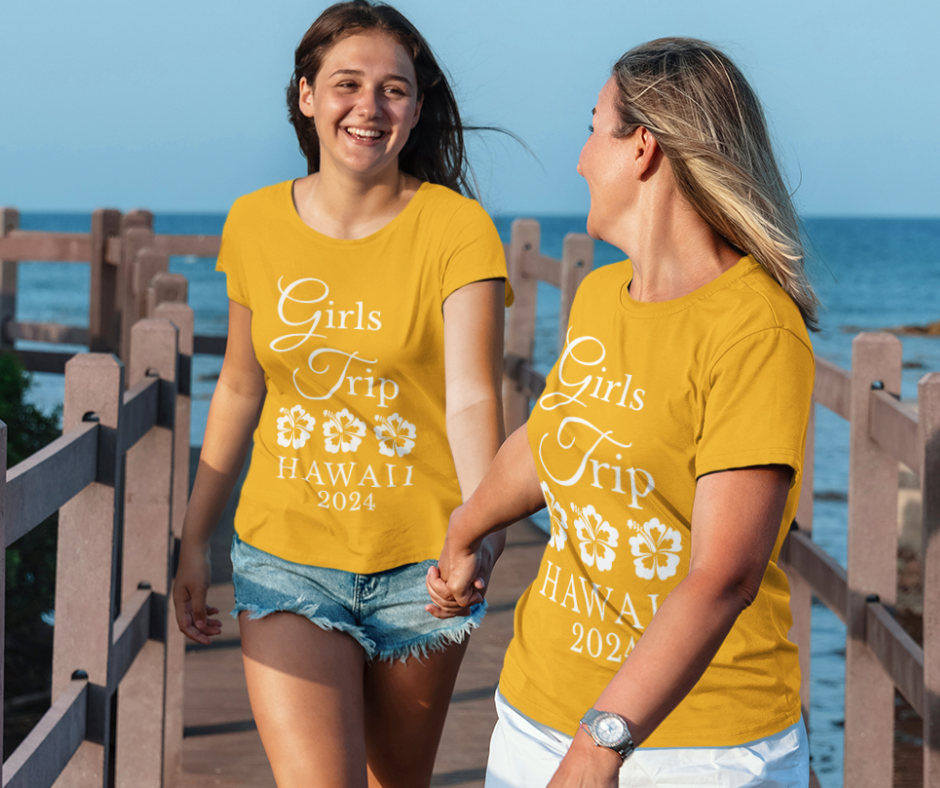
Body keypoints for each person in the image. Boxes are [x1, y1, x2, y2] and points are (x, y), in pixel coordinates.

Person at [430, 38, 818, 787]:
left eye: (592, 128)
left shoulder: (757, 330)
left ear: (643, 147)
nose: (580, 159)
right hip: (534, 714)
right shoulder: (600, 297)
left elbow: (725, 576)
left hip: (695, 748)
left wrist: (601, 741)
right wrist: (469, 526)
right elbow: (551, 436)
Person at [171, 2, 511, 786]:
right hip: (286, 559)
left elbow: (470, 399)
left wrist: (481, 534)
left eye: (394, 89)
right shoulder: (255, 222)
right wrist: (193, 539)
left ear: (416, 109)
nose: (370, 107)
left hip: (421, 568)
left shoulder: (458, 231)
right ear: (307, 95)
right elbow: (240, 385)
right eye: (348, 83)